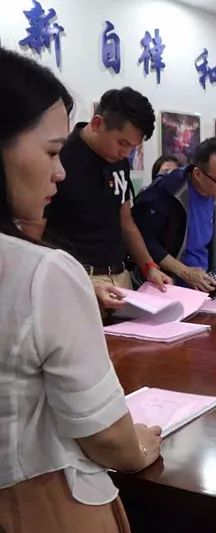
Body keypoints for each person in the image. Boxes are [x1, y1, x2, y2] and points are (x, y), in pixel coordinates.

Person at [0, 47, 161, 533]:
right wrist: (138, 446)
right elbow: (107, 437)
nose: (59, 172)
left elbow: (125, 222)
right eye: (51, 152)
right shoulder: (40, 272)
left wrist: (148, 266)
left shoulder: (117, 171)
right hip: (36, 499)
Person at [44, 87, 171, 311]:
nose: (126, 153)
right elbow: (38, 227)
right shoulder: (61, 158)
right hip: (80, 277)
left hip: (120, 277)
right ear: (97, 124)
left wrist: (149, 266)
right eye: (122, 143)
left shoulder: (119, 161)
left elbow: (126, 221)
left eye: (133, 147)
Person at [133, 138, 216, 292]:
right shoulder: (168, 192)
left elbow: (208, 248)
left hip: (202, 290)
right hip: (166, 288)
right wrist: (184, 272)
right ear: (198, 174)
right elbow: (143, 240)